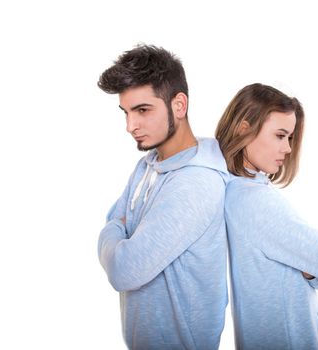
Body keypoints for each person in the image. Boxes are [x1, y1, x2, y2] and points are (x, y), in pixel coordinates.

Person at [97, 45, 229, 350]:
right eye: (127, 113)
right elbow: (111, 219)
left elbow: (123, 270)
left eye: (143, 110)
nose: (131, 126)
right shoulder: (147, 165)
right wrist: (116, 229)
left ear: (179, 105)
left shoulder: (196, 183)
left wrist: (116, 232)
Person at [215, 83, 318, 349]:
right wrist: (311, 269)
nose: (288, 148)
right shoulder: (255, 203)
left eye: (289, 137)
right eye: (280, 135)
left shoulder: (237, 192)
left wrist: (309, 268)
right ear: (244, 128)